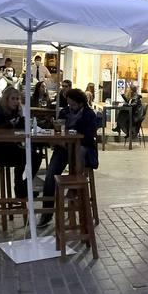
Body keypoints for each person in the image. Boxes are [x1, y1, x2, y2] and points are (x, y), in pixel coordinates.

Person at [38, 87, 100, 227]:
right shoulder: (65, 112)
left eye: (72, 104)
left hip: (81, 149)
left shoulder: (89, 115)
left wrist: (73, 138)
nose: (70, 106)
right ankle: (47, 213)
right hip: (63, 148)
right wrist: (55, 127)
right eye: (69, 103)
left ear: (80, 103)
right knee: (51, 175)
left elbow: (88, 138)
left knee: (81, 151)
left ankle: (75, 186)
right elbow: (58, 130)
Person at [0, 87, 39, 199]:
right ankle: (21, 189)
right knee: (25, 157)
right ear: (6, 99)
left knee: (34, 157)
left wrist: (22, 118)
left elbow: (21, 128)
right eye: (13, 99)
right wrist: (10, 123)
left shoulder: (16, 111)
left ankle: (22, 188)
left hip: (13, 147)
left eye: (17, 99)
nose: (16, 101)